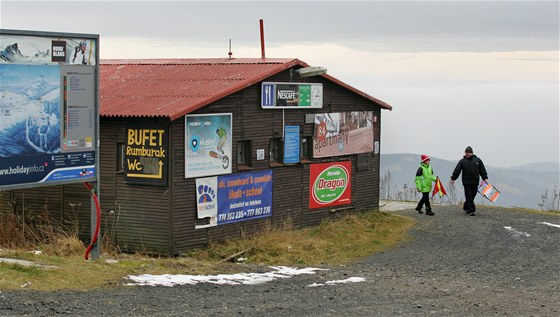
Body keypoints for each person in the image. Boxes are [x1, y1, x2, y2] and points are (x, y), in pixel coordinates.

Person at [450, 146, 488, 216]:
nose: (467, 154)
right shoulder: (462, 161)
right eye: (466, 153)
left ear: (472, 153)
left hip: (475, 181)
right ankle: (471, 210)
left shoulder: (478, 160)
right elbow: (457, 170)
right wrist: (453, 178)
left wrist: (485, 178)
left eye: (468, 153)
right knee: (469, 196)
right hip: (466, 182)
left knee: (472, 195)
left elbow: (482, 170)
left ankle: (466, 207)